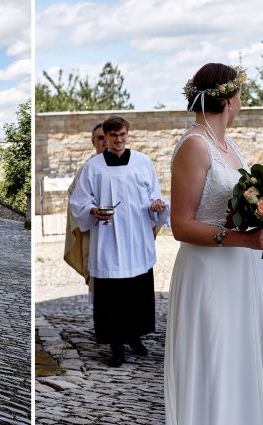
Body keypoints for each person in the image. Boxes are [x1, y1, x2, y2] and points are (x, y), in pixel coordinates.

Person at [164, 63, 263, 425]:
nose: (241, 101)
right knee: (218, 363)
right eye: (240, 94)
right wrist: (243, 239)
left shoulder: (230, 145)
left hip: (245, 272)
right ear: (229, 100)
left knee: (248, 362)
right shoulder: (195, 146)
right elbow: (180, 225)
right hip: (209, 274)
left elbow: (254, 218)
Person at [69, 116, 169, 367]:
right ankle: (116, 347)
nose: (118, 139)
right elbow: (80, 201)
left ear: (127, 134)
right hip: (108, 238)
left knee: (136, 292)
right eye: (113, 135)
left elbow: (153, 195)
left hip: (136, 237)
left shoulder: (142, 162)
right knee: (112, 296)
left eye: (122, 134)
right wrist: (93, 211)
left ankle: (135, 337)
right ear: (106, 137)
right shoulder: (94, 167)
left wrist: (156, 205)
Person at [64, 123, 107, 300]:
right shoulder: (88, 169)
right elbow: (74, 197)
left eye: (107, 136)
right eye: (100, 138)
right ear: (93, 142)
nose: (105, 141)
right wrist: (89, 210)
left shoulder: (129, 167)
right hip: (95, 232)